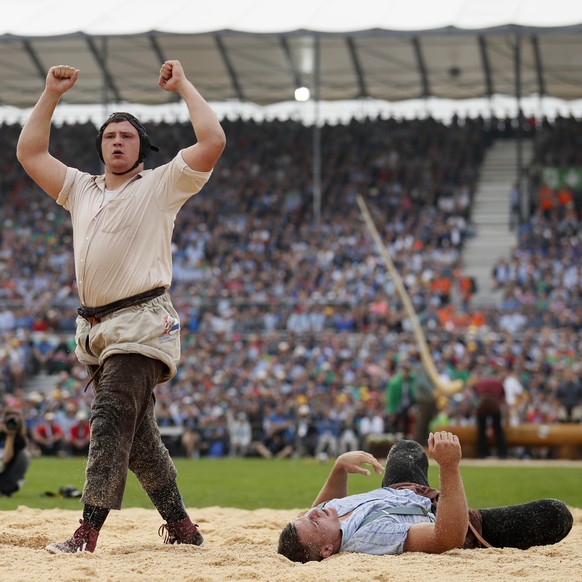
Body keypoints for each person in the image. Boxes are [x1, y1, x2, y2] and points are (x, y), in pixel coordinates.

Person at [16, 60, 226, 553]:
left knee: (110, 417)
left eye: (127, 136)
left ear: (141, 146)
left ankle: (87, 532)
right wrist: (50, 94)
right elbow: (29, 152)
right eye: (109, 135)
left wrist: (183, 84)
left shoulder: (160, 184)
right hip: (99, 328)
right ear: (100, 147)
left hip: (144, 323)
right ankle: (181, 527)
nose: (117, 141)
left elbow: (213, 140)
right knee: (139, 441)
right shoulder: (80, 189)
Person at [277, 432, 573, 562]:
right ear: (328, 550)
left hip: (400, 492)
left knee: (406, 448)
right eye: (313, 524)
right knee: (555, 515)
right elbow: (446, 537)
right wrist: (449, 467)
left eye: (306, 517)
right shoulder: (372, 537)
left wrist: (339, 467)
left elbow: (320, 507)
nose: (314, 513)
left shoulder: (326, 518)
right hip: (444, 516)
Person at [473, 367, 508, 459]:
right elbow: (503, 400)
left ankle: (482, 453)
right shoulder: (498, 383)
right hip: (494, 406)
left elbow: (477, 395)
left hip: (482, 406)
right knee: (498, 430)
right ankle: (502, 454)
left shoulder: (480, 382)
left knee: (481, 431)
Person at [0, 408, 31, 497]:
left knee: (25, 455)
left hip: (8, 473)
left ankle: (6, 487)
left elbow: (6, 459)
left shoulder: (19, 440)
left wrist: (10, 436)